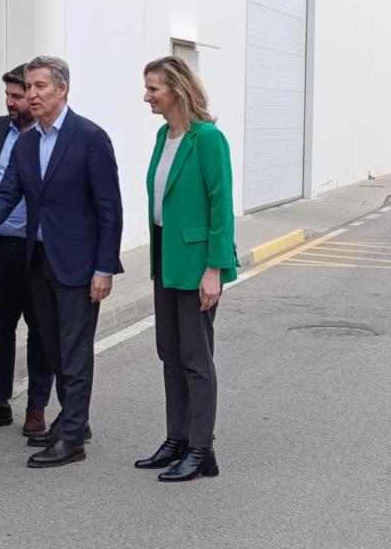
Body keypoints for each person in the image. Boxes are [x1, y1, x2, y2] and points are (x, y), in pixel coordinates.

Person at [0, 56, 123, 469]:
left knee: (75, 350)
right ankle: (74, 418)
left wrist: (104, 267)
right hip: (38, 259)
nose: (32, 94)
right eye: (29, 87)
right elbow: (7, 193)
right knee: (53, 348)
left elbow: (109, 208)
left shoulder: (89, 137)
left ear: (62, 89)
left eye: (41, 86)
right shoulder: (26, 142)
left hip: (80, 263)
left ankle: (73, 438)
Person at [135, 55, 237, 482]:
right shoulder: (164, 136)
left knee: (196, 358)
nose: (147, 97)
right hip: (167, 261)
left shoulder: (208, 138)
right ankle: (176, 439)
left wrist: (214, 269)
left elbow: (221, 205)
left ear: (176, 89)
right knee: (170, 354)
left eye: (153, 89)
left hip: (197, 266)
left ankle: (202, 448)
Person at [0, 64, 54, 437]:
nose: (11, 103)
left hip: (38, 249)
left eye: (17, 96)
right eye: (8, 96)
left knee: (40, 329)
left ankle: (37, 407)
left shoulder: (50, 135)